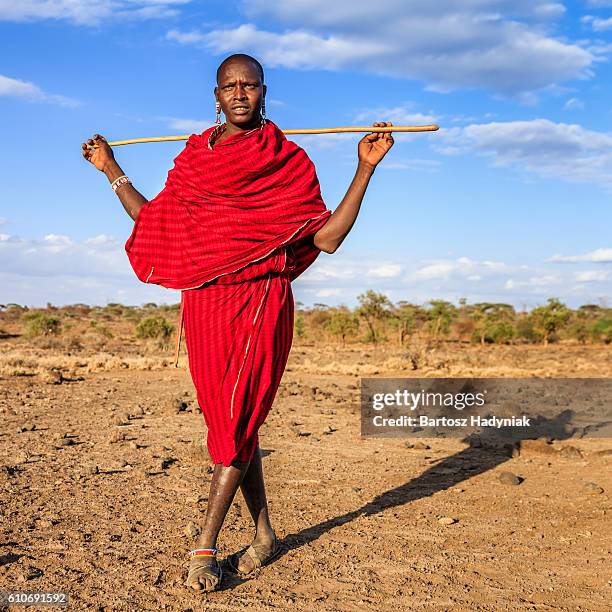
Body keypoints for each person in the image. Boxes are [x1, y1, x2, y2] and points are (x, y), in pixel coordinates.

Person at [81, 53, 394, 593]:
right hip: (204, 303)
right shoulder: (194, 158)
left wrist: (364, 168)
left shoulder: (289, 161)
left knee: (232, 421)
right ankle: (265, 534)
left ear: (265, 92)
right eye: (231, 86)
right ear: (217, 95)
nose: (241, 93)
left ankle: (204, 549)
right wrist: (110, 169)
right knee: (232, 421)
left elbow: (327, 238)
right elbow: (153, 220)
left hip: (259, 301)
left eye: (251, 85)